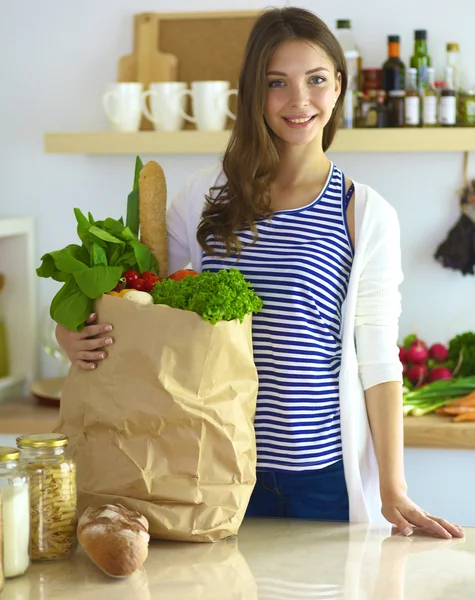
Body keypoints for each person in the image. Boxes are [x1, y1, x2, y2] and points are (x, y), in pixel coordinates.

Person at [56, 7, 464, 539]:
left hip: (319, 477)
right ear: (253, 92)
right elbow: (143, 307)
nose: (299, 100)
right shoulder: (203, 197)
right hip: (207, 464)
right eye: (278, 83)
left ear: (338, 87)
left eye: (316, 80)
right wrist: (70, 330)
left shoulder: (363, 212)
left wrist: (393, 487)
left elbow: (379, 357)